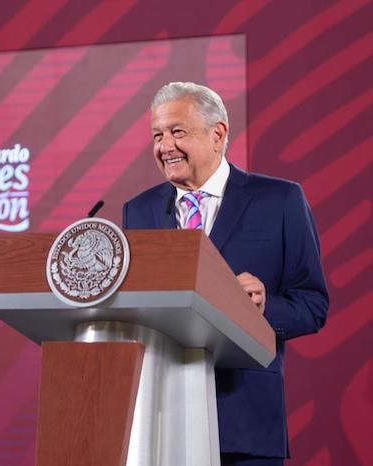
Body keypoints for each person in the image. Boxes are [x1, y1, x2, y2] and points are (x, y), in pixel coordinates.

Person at [123, 82, 328, 465]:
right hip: (160, 421)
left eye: (177, 132)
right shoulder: (139, 211)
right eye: (157, 135)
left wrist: (263, 308)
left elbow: (312, 304)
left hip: (244, 424)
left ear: (218, 133)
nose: (164, 146)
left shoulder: (280, 201)